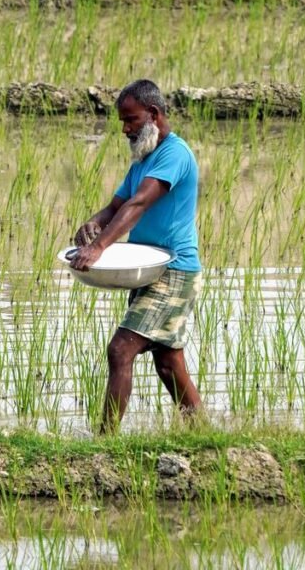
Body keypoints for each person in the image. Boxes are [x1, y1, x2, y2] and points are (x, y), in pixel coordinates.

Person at [69, 79, 204, 434]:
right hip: (151, 270)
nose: (126, 129)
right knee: (168, 361)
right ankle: (204, 434)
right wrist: (93, 225)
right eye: (123, 122)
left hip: (174, 271)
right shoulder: (143, 161)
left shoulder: (175, 154)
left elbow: (139, 203)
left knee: (120, 350)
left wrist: (98, 248)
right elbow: (117, 206)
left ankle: (105, 441)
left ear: (154, 114)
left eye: (131, 120)